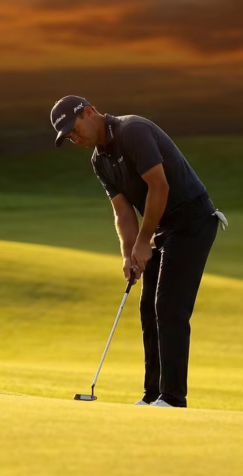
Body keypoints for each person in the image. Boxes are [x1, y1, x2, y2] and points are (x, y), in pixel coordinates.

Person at [50, 95, 227, 408]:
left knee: (169, 305)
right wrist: (130, 254)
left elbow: (159, 186)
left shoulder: (133, 130)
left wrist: (145, 241)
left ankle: (173, 397)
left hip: (193, 220)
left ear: (89, 113)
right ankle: (152, 395)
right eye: (68, 137)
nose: (74, 138)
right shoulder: (99, 160)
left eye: (74, 129)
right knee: (149, 307)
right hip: (160, 226)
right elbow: (123, 212)